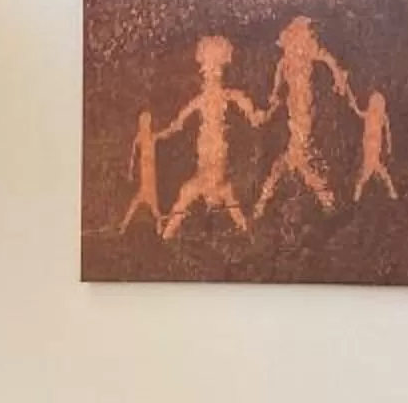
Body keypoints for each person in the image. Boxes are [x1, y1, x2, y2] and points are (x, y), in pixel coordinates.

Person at [253, 15, 354, 220]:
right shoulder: (285, 62)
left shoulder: (307, 54)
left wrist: (338, 78)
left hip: (303, 114)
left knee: (292, 160)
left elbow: (327, 59)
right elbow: (276, 87)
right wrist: (273, 101)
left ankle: (264, 201)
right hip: (295, 113)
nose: (296, 43)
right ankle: (326, 199)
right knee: (294, 159)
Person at [160, 35, 262, 237]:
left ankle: (166, 234)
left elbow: (178, 122)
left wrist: (254, 113)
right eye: (209, 69)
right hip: (212, 151)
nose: (212, 74)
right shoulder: (222, 190)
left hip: (212, 152)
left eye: (215, 68)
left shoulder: (214, 188)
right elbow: (179, 122)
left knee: (186, 195)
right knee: (187, 196)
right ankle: (166, 234)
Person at [113, 109, 167, 236]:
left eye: (146, 121)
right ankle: (124, 226)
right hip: (145, 174)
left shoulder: (152, 137)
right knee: (140, 202)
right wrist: (130, 171)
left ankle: (157, 227)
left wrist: (172, 129)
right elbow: (133, 155)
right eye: (142, 121)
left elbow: (163, 135)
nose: (144, 124)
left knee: (146, 203)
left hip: (150, 175)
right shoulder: (139, 138)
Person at [352, 87, 398, 202]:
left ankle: (359, 191)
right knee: (372, 167)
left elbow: (388, 133)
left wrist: (389, 145)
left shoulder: (382, 117)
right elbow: (358, 112)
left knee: (373, 167)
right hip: (369, 144)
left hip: (375, 145)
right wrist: (353, 104)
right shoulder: (369, 115)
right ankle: (389, 189)